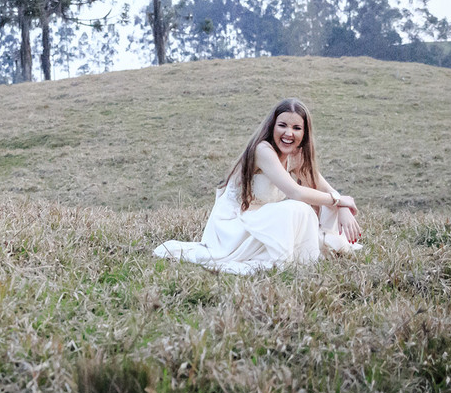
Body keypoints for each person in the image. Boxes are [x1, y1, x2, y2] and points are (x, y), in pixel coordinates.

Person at [154, 97, 361, 274]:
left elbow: (324, 188)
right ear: (272, 127)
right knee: (297, 208)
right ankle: (285, 257)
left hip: (263, 219)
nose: (289, 133)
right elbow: (295, 192)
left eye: (296, 128)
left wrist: (341, 206)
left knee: (313, 206)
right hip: (235, 225)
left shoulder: (296, 157)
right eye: (283, 125)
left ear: (304, 134)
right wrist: (338, 200)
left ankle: (314, 247)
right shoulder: (263, 150)